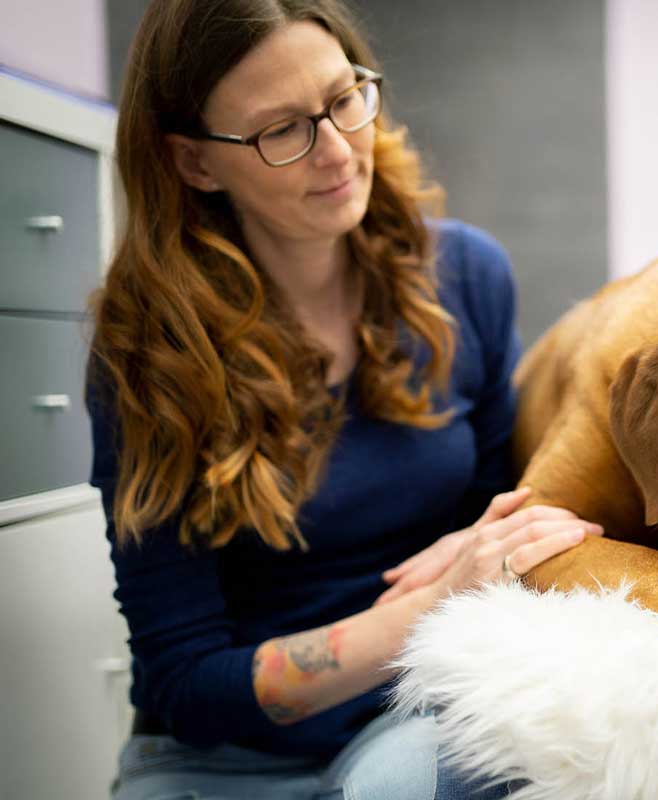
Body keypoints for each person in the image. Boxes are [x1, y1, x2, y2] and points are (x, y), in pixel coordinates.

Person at [85, 1, 602, 797]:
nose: (335, 150)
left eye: (343, 99)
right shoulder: (147, 354)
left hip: (415, 715)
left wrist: (477, 560)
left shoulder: (467, 276)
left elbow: (506, 512)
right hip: (218, 761)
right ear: (195, 163)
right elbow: (187, 685)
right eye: (281, 130)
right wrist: (431, 602)